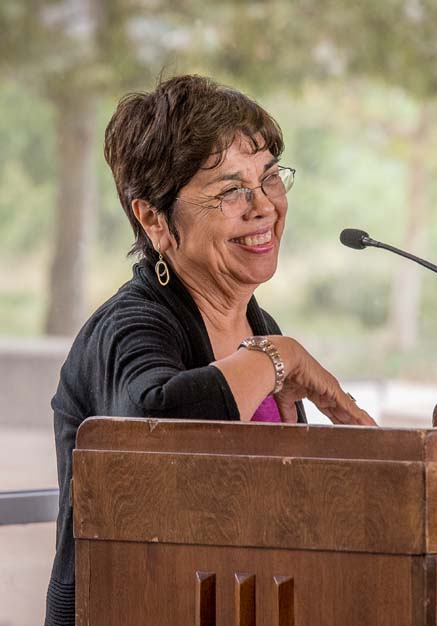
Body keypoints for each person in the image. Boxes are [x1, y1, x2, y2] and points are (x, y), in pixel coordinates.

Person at [44, 74, 376, 626]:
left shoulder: (256, 322)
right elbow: (157, 423)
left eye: (269, 178)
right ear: (153, 219)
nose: (263, 206)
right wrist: (282, 358)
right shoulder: (132, 325)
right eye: (230, 191)